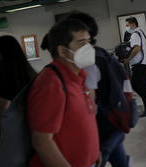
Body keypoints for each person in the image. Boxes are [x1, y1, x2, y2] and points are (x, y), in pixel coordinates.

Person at [27, 19, 101, 167]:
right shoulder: (52, 84)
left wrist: (93, 151)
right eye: (81, 43)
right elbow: (42, 141)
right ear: (62, 51)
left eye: (88, 41)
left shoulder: (78, 75)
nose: (89, 48)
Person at [67, 11, 131, 167]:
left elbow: (90, 104)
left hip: (102, 129)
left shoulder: (88, 61)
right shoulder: (103, 54)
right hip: (116, 121)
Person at [123, 16, 146, 118]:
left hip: (139, 65)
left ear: (133, 24)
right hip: (142, 64)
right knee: (134, 85)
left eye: (127, 25)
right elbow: (143, 43)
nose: (127, 27)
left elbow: (137, 48)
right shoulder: (140, 32)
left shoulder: (135, 34)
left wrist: (129, 59)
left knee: (140, 87)